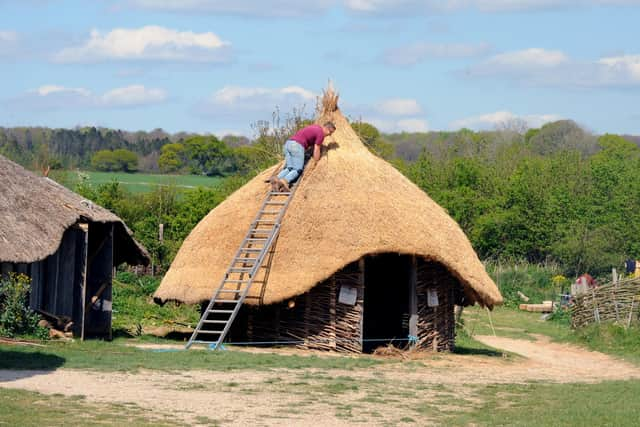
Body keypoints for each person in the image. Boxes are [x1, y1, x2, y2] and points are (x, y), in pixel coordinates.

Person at [271, 121, 336, 192]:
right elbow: (317, 148)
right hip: (297, 146)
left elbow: (309, 139)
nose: (330, 135)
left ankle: (277, 178)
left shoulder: (316, 127)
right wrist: (316, 162)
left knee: (290, 167)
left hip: (288, 144)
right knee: (298, 169)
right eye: (330, 132)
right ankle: (285, 181)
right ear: (327, 129)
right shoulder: (321, 134)